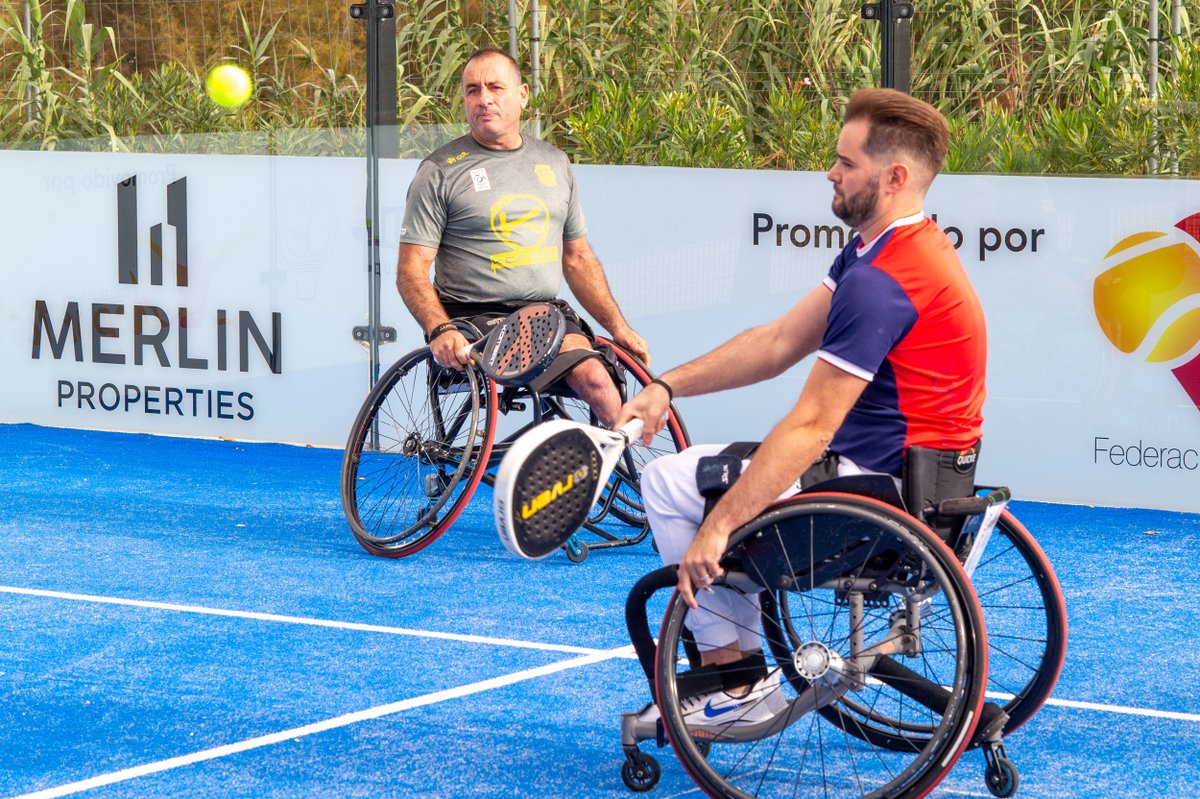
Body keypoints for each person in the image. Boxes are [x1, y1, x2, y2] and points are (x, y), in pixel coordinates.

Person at [617, 88, 987, 725]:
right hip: (921, 480)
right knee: (716, 476)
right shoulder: (896, 250)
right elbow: (778, 341)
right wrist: (667, 385)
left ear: (894, 176)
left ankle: (735, 683)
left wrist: (719, 526)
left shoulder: (881, 283)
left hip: (872, 494)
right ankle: (736, 655)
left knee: (669, 481)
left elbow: (813, 427)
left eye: (846, 163)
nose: (830, 172)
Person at [397, 47, 647, 426]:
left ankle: (630, 475)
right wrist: (440, 328)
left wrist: (619, 327)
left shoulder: (554, 162)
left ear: (523, 94)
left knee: (599, 378)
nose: (484, 100)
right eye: (472, 90)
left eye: (495, 88)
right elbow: (411, 270)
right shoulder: (438, 171)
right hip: (474, 320)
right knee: (588, 375)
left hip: (545, 314)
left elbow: (577, 259)